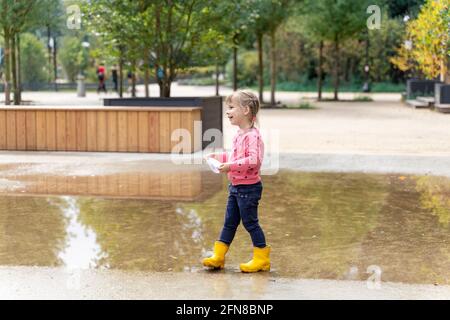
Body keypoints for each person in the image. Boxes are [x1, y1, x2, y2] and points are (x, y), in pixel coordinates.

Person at [202, 90, 270, 273]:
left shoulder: (253, 136)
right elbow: (235, 156)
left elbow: (254, 160)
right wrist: (219, 156)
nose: (227, 111)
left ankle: (262, 258)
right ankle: (218, 257)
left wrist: (230, 166)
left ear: (246, 110)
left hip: (249, 189)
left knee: (251, 223)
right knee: (229, 223)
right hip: (236, 187)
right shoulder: (239, 134)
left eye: (231, 107)